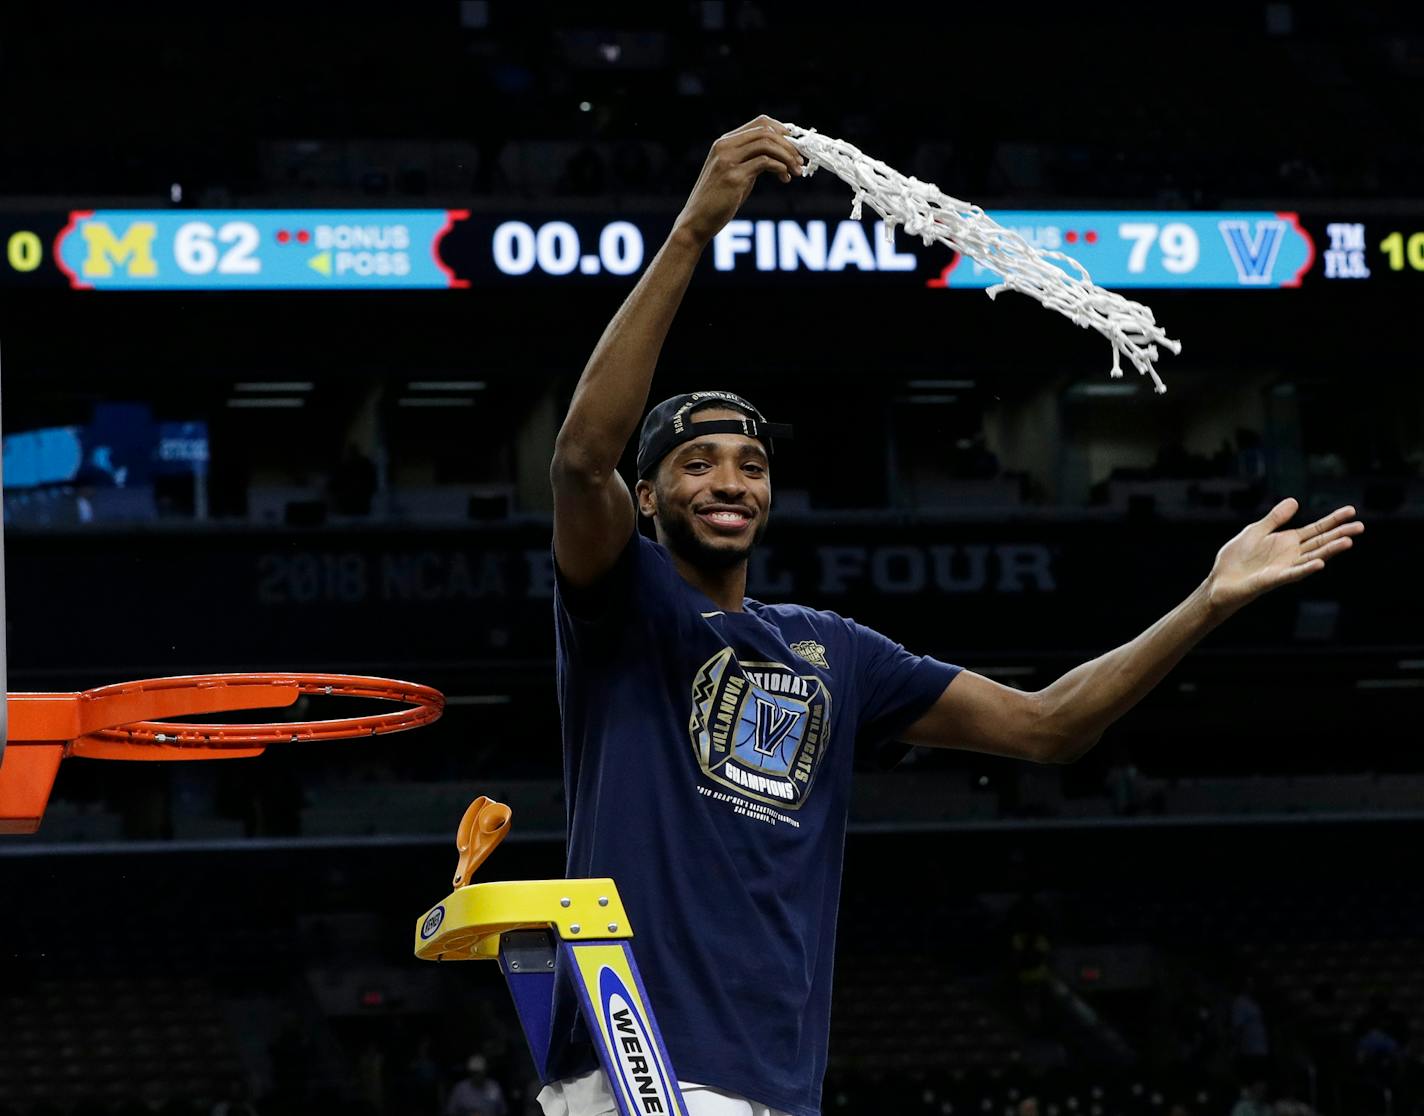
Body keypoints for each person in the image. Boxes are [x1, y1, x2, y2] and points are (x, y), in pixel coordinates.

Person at [541, 115, 1364, 1116]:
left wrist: (1205, 600)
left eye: (751, 465)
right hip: (637, 1065)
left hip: (772, 1088)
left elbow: (1049, 726)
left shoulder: (833, 653)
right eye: (697, 464)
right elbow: (583, 455)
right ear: (650, 497)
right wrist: (690, 234)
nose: (729, 482)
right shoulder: (622, 605)